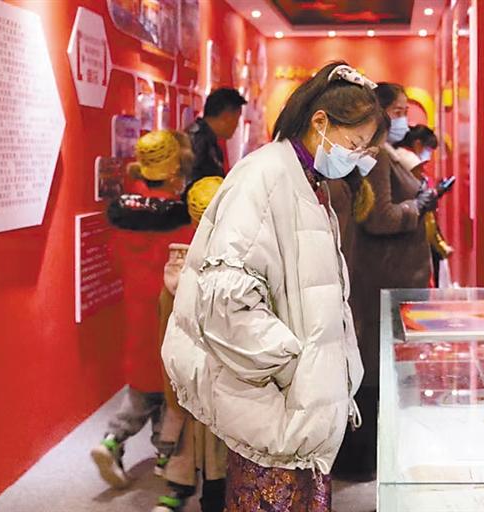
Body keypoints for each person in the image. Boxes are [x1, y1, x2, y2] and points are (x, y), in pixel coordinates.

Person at [161, 61, 383, 511]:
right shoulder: (264, 177)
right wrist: (291, 365)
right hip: (276, 404)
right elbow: (227, 300)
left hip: (297, 407)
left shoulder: (306, 179)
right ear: (320, 122)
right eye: (354, 144)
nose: (357, 156)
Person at [337, 83, 443, 480]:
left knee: (381, 366)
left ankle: (373, 454)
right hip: (381, 276)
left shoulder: (387, 153)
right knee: (373, 368)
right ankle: (362, 459)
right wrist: (417, 207)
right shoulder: (377, 155)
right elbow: (377, 217)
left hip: (389, 275)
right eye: (398, 112)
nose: (404, 119)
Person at [92, 130, 194, 489]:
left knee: (140, 387)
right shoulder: (181, 218)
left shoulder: (123, 215)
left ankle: (112, 440)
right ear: (174, 169)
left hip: (135, 310)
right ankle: (166, 454)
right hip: (170, 313)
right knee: (170, 390)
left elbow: (114, 261)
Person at [153, 176, 227, 512]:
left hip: (183, 371)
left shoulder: (176, 266)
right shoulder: (227, 261)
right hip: (218, 377)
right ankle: (212, 493)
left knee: (185, 428)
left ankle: (177, 487)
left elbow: (164, 328)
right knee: (217, 444)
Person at [394, 124, 454, 287]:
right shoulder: (407, 160)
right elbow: (418, 195)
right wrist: (435, 193)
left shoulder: (402, 157)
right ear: (418, 143)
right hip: (413, 234)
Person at [186, 87, 247, 183]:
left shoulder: (206, 140)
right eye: (236, 119)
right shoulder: (197, 140)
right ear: (226, 117)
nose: (237, 126)